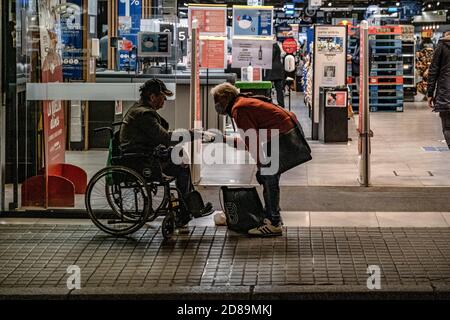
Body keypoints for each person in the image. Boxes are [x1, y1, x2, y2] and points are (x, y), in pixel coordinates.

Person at [211, 82, 300, 237]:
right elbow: (250, 142)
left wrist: (261, 166)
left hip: (281, 136)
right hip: (284, 132)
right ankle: (271, 216)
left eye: (217, 101)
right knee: (269, 176)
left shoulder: (239, 109)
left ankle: (273, 222)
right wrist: (224, 139)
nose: (216, 105)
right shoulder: (243, 103)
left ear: (225, 98)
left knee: (268, 176)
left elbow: (253, 143)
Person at [119, 79, 202, 228]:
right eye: (163, 97)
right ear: (152, 97)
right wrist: (191, 135)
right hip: (141, 160)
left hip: (140, 154)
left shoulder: (138, 109)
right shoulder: (145, 115)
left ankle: (187, 208)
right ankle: (186, 211)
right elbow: (165, 138)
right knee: (181, 167)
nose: (164, 100)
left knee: (180, 157)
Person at [427, 31, 450, 148]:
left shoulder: (442, 46)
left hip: (446, 94)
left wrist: (430, 93)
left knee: (447, 127)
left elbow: (433, 70)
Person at [264, 42, 286, 108]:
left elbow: (271, 57)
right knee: (279, 89)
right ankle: (281, 105)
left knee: (268, 88)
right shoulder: (277, 46)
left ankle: (269, 103)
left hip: (272, 69)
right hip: (277, 69)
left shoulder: (272, 46)